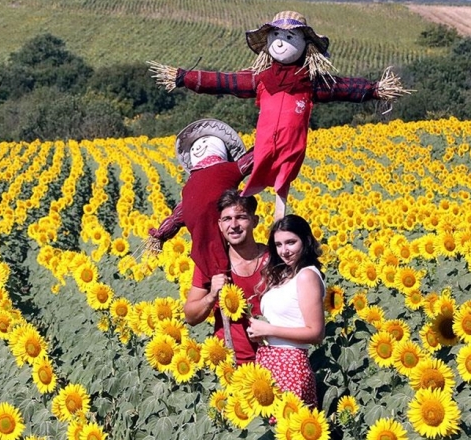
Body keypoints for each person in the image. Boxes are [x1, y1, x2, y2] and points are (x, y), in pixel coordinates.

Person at [149, 11, 409, 220]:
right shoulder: (260, 79)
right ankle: (238, 218)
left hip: (291, 148)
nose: (282, 42)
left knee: (282, 186)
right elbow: (224, 81)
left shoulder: (312, 82)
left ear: (306, 46)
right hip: (262, 148)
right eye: (276, 35)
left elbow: (344, 87)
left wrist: (374, 89)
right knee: (247, 182)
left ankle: (277, 224)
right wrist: (186, 77)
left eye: (289, 36)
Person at [148, 119, 253, 281]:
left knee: (211, 290)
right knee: (235, 287)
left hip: (201, 256)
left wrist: (160, 234)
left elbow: (176, 218)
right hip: (232, 246)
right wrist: (271, 142)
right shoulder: (227, 170)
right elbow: (252, 160)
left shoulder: (188, 187)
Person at [246, 214, 325, 407]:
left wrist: (268, 330)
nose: (284, 251)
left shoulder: (307, 276)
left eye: (291, 242)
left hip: (290, 365)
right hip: (269, 360)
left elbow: (316, 333)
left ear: (306, 241)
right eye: (279, 244)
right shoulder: (285, 274)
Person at [183, 190, 268, 365]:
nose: (234, 225)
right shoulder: (212, 264)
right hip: (229, 363)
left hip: (273, 360)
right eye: (227, 219)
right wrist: (212, 295)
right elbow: (190, 317)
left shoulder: (273, 260)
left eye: (241, 217)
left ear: (255, 221)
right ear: (220, 225)